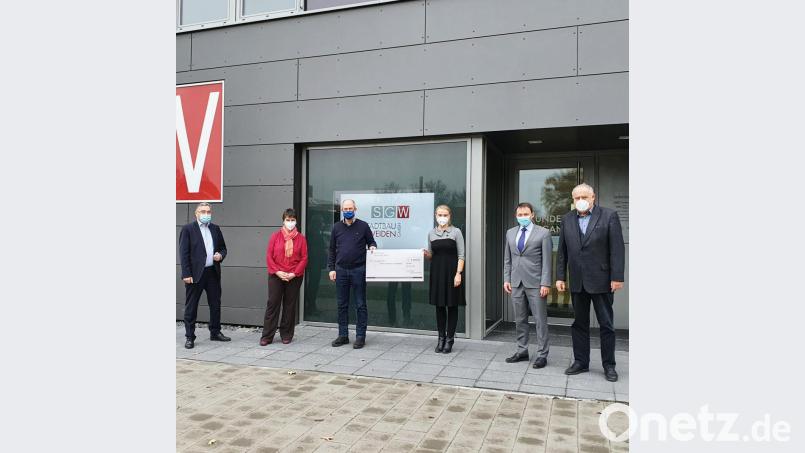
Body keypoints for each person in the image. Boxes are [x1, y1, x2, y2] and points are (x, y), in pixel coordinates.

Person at [556, 183, 625, 382]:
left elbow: (617, 249)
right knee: (579, 323)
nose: (580, 201)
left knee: (606, 324)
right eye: (576, 198)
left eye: (584, 197)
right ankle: (580, 362)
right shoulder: (567, 219)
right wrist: (560, 277)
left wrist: (617, 277)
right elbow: (562, 252)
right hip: (578, 281)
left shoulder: (609, 216)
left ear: (593, 197)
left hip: (602, 280)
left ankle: (609, 365)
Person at [502, 202, 553, 368]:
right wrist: (506, 279)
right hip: (516, 282)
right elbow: (507, 259)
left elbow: (547, 261)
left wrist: (545, 282)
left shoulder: (543, 233)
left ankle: (542, 354)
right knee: (520, 319)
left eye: (525, 214)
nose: (522, 217)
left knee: (540, 320)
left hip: (536, 283)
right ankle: (522, 350)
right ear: (516, 216)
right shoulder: (510, 233)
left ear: (532, 215)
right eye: (519, 215)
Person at [179, 202, 230, 349]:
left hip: (212, 272)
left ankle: (215, 332)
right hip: (195, 275)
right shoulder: (188, 229)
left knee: (215, 304)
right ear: (196, 213)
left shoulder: (215, 228)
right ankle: (190, 337)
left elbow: (223, 248)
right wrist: (186, 273)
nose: (206, 214)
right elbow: (184, 254)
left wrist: (220, 255)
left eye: (208, 211)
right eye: (203, 211)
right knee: (191, 306)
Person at [328, 199, 377, 349]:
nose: (348, 210)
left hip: (359, 270)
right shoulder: (336, 227)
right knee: (342, 305)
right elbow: (331, 250)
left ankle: (360, 336)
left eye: (350, 208)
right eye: (345, 208)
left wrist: (373, 247)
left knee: (360, 304)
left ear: (355, 208)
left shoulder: (363, 226)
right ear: (342, 210)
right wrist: (331, 268)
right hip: (341, 270)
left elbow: (372, 242)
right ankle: (343, 335)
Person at [262, 208, 308, 346]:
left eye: (292, 220)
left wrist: (294, 273)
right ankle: (267, 336)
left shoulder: (301, 238)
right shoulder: (275, 236)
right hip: (276, 275)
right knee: (273, 304)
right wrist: (277, 271)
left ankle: (286, 334)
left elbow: (304, 258)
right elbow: (269, 256)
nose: (290, 222)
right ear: (283, 220)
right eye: (288, 220)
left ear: (296, 221)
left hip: (294, 276)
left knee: (289, 305)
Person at [423, 205, 465, 353]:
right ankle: (441, 338)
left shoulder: (456, 232)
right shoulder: (431, 233)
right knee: (439, 306)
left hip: (453, 273)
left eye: (445, 214)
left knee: (452, 306)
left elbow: (461, 255)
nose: (442, 217)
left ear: (450, 216)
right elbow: (431, 256)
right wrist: (425, 254)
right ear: (435, 215)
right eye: (439, 214)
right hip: (437, 273)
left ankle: (450, 340)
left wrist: (458, 273)